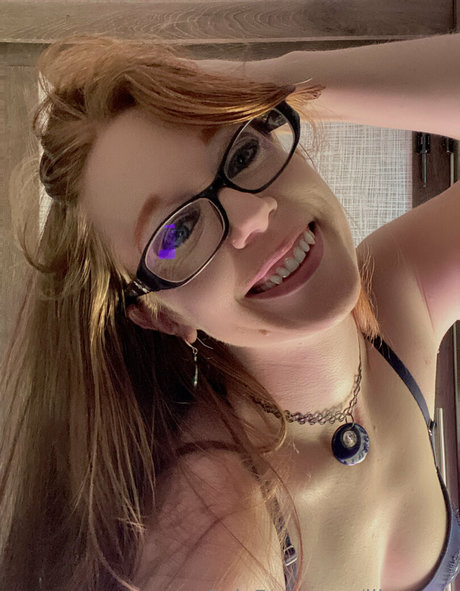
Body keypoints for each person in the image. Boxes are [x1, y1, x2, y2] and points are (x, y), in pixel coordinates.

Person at [0, 32, 459, 591]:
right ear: (160, 315)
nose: (252, 216)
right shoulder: (216, 534)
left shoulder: (397, 292)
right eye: (179, 231)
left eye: (242, 153)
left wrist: (277, 78)